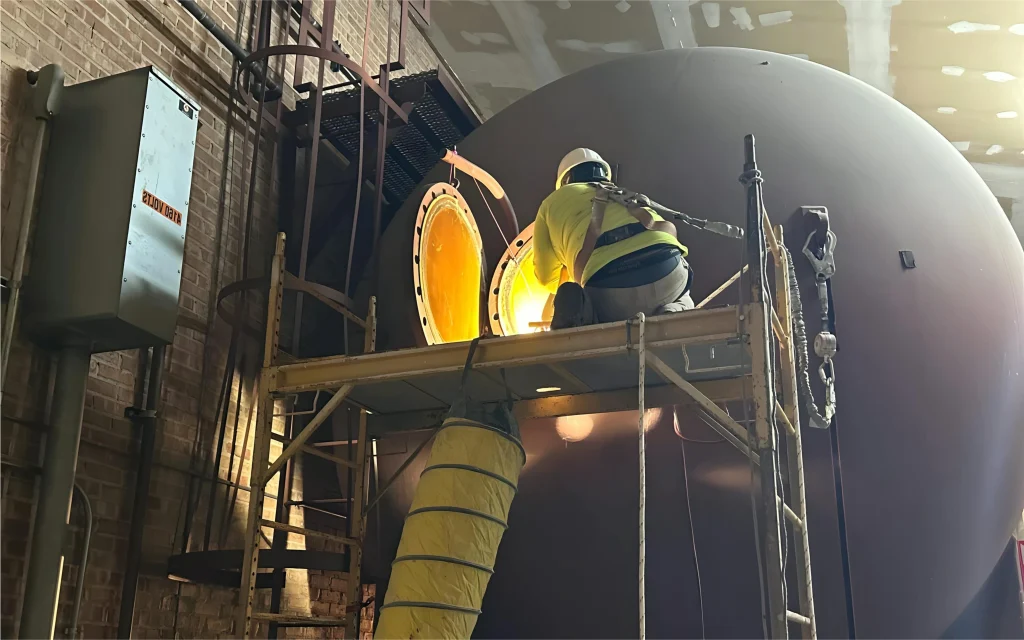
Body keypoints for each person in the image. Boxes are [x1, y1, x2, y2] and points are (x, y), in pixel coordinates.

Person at [533, 148, 694, 329]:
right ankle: (673, 313)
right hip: (667, 269)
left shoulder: (551, 203)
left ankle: (581, 314)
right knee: (682, 295)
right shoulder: (620, 194)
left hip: (608, 286)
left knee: (593, 313)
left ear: (565, 181)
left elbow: (545, 276)